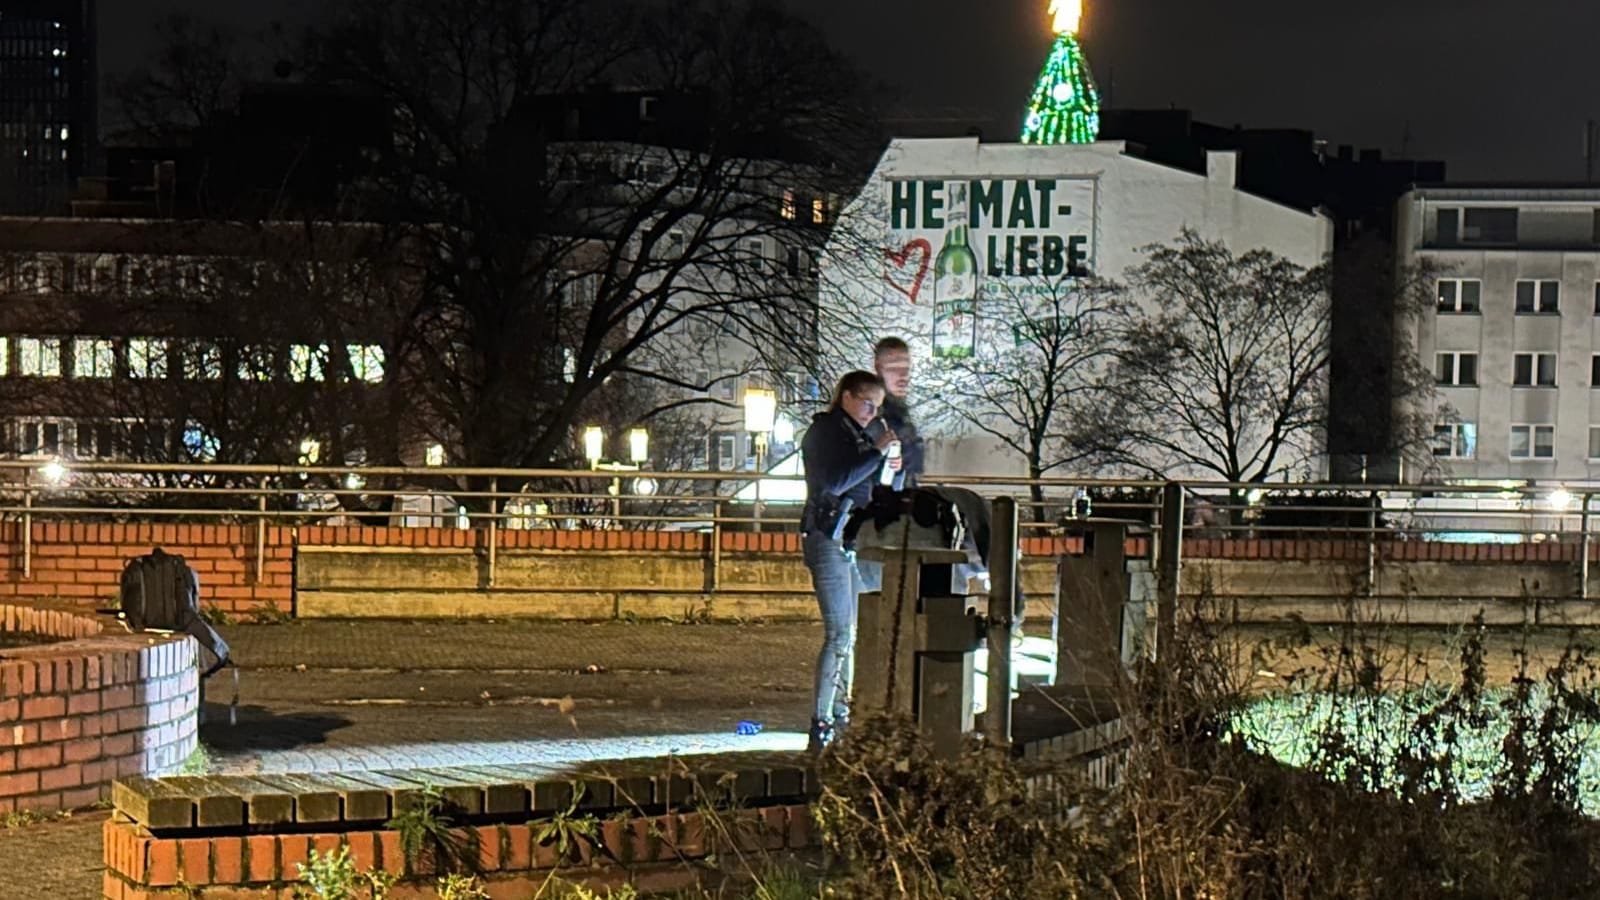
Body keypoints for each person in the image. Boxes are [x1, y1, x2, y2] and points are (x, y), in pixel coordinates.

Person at [800, 370, 898, 751]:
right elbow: (832, 484)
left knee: (852, 635)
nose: (871, 414)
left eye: (876, 408)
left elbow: (871, 489)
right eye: (867, 404)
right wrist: (875, 453)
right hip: (828, 536)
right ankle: (822, 722)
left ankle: (841, 715)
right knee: (840, 633)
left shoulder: (857, 437)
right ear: (846, 397)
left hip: (851, 538)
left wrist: (888, 465)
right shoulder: (826, 432)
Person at [872, 337, 924, 490]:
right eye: (894, 369)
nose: (903, 377)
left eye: (906, 369)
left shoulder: (901, 414)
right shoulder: (871, 414)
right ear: (878, 368)